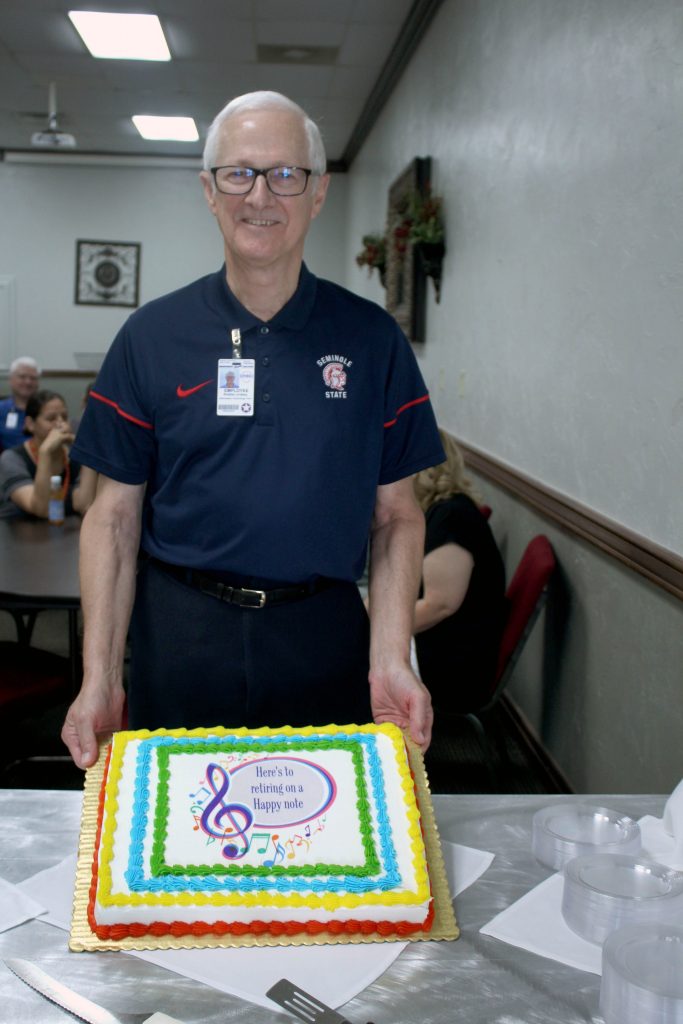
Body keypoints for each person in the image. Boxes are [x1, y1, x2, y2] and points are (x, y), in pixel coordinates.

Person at [61, 91, 445, 770]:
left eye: (284, 174)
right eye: (238, 173)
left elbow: (396, 518)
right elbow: (112, 520)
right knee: (178, 857)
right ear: (209, 191)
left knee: (317, 857)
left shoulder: (373, 340)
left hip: (322, 636)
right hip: (180, 634)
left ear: (318, 192)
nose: (259, 195)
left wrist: (390, 660)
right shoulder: (149, 337)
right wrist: (100, 679)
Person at [412, 430, 506, 715]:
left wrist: (378, 626)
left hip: (453, 665)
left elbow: (439, 605)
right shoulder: (444, 511)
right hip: (444, 645)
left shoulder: (451, 517)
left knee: (348, 658)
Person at [0, 389, 97, 519]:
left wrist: (86, 453)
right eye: (51, 418)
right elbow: (42, 509)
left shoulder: (74, 457)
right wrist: (45, 452)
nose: (60, 424)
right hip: (20, 534)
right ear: (30, 424)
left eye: (64, 417)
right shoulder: (12, 458)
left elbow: (83, 505)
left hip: (63, 534)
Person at [0, 356, 41, 451]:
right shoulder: (1, 409)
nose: (28, 382)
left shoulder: (45, 409)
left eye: (33, 378)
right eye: (22, 377)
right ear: (11, 380)